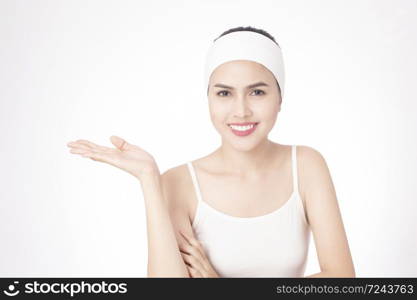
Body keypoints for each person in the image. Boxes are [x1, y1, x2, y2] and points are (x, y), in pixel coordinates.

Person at [67, 26, 355, 278]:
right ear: (208, 99)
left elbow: (342, 278)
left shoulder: (305, 165)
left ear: (280, 98)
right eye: (224, 93)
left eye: (257, 92)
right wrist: (149, 180)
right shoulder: (178, 182)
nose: (241, 111)